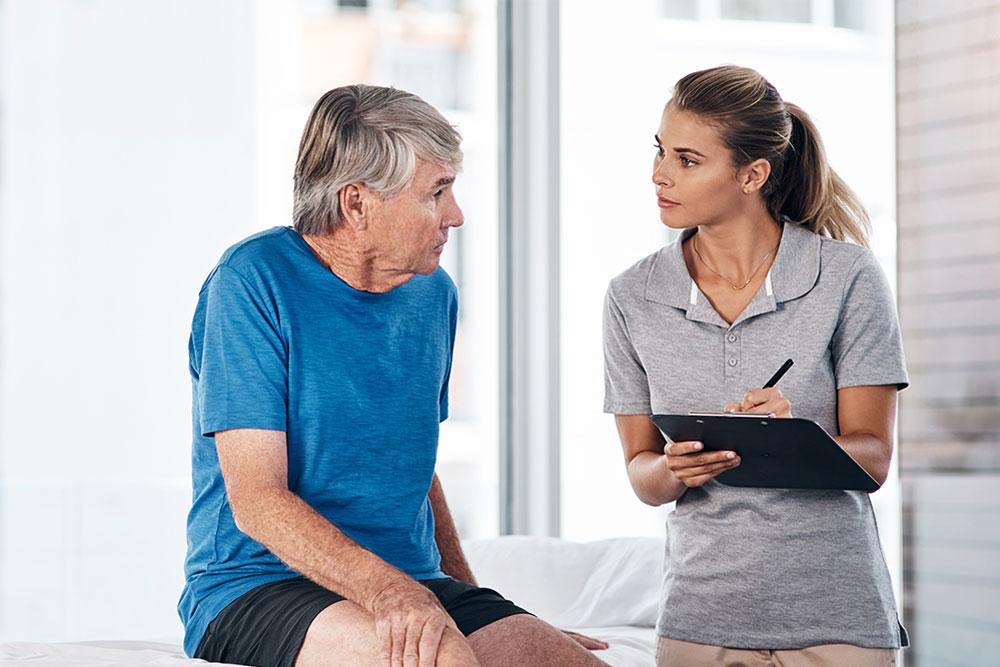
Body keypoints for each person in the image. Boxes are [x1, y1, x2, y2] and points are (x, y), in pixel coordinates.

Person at [179, 84, 607, 667]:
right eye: (436, 192)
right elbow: (257, 499)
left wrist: (488, 607)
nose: (456, 215)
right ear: (357, 203)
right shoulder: (252, 282)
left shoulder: (434, 295)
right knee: (443, 660)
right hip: (256, 586)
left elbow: (413, 466)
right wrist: (392, 594)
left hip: (406, 580)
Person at [603, 65, 909, 667]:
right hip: (700, 621)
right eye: (660, 151)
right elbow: (642, 475)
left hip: (839, 621)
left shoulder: (848, 278)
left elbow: (873, 460)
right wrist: (673, 468)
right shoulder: (631, 296)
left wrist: (798, 438)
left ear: (752, 174)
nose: (659, 174)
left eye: (687, 160)